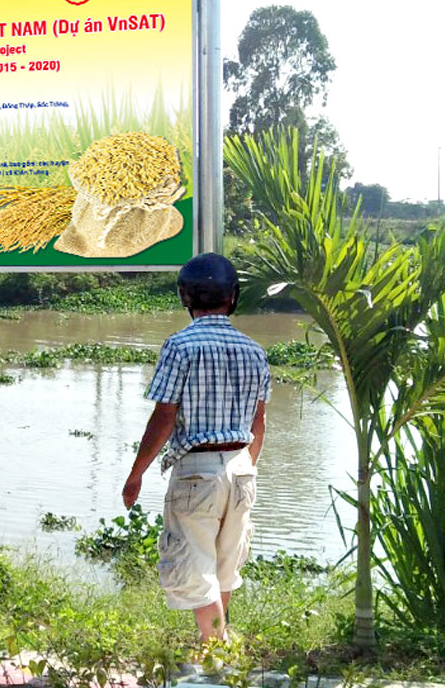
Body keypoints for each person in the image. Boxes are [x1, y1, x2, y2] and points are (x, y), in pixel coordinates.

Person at [121, 253, 269, 643]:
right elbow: (260, 421)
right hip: (242, 467)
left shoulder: (180, 346)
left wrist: (135, 474)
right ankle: (214, 651)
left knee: (193, 569)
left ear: (185, 297)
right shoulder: (254, 350)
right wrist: (242, 467)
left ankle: (216, 654)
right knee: (224, 567)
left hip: (197, 471)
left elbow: (164, 417)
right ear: (232, 297)